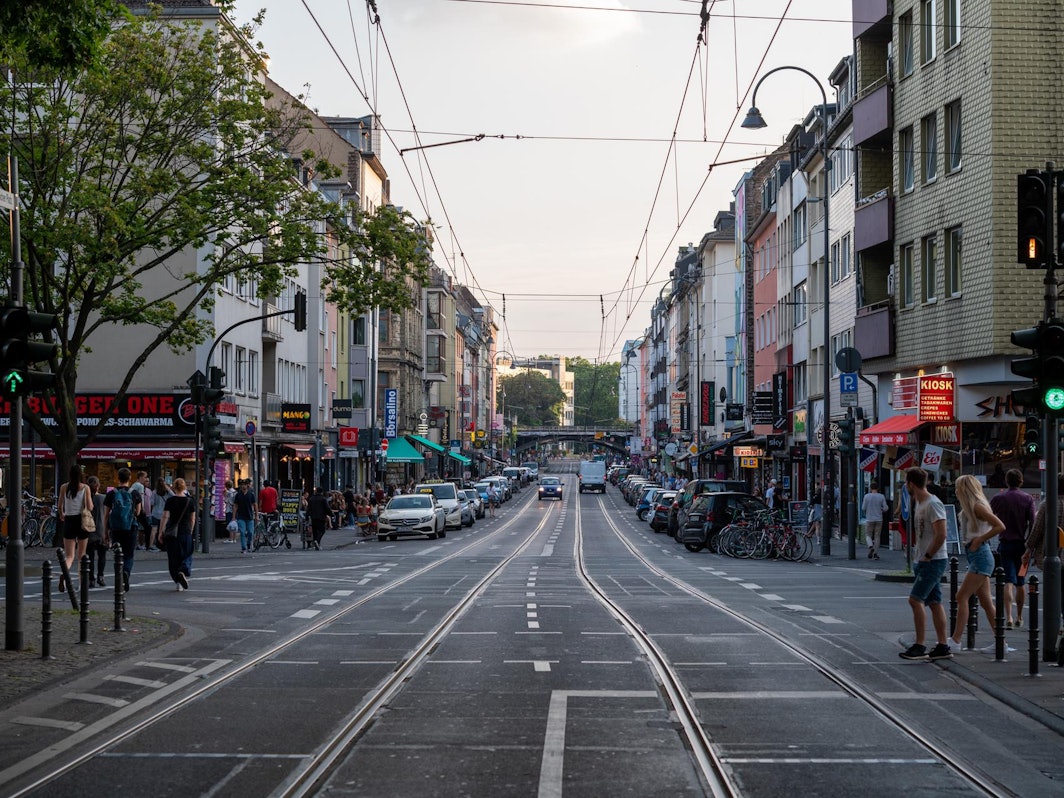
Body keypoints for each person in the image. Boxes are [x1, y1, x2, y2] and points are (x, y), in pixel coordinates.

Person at [899, 467, 952, 661]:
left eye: (906, 483)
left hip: (933, 559)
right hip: (924, 558)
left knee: (915, 600)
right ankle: (942, 645)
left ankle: (920, 645)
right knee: (934, 602)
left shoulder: (932, 503)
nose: (906, 487)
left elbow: (941, 534)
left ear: (911, 484)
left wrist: (928, 555)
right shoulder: (919, 503)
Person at [947, 474, 1004, 651]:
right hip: (977, 555)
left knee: (961, 597)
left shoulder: (977, 507)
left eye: (957, 487)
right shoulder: (971, 508)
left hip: (980, 555)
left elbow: (1000, 526)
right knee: (986, 602)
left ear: (965, 489)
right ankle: (1000, 642)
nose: (955, 491)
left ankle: (955, 641)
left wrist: (980, 539)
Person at [989, 468, 1036, 628]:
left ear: (1007, 481)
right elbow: (1033, 522)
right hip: (1023, 547)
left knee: (1008, 580)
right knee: (1021, 581)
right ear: (1021, 481)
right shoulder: (1027, 499)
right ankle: (1019, 616)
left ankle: (1008, 616)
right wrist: (1029, 543)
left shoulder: (998, 498)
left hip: (1005, 544)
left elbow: (989, 516)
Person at [103, 467, 143, 593]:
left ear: (118, 478)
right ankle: (126, 571)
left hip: (116, 528)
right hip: (130, 527)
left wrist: (105, 532)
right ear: (129, 478)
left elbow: (105, 515)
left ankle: (119, 577)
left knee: (117, 554)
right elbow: (138, 511)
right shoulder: (134, 493)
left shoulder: (111, 494)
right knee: (129, 554)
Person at [56, 464, 94, 593]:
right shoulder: (85, 488)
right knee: (81, 555)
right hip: (82, 521)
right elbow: (89, 506)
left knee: (69, 556)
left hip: (69, 520)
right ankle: (81, 584)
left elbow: (60, 504)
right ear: (81, 475)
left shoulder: (64, 487)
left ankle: (64, 575)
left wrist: (62, 514)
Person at [159, 477, 196, 591]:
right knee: (187, 554)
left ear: (174, 487)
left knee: (173, 557)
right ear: (184, 487)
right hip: (185, 532)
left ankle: (177, 580)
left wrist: (161, 531)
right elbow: (192, 519)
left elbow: (165, 516)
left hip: (172, 533)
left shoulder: (170, 501)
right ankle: (183, 570)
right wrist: (191, 530)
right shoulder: (190, 501)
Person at [85, 476, 108, 588]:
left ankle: (91, 579)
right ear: (98, 486)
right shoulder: (104, 498)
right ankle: (100, 576)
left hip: (89, 530)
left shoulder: (85, 500)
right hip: (102, 529)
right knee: (102, 555)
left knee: (90, 556)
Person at [862, 481, 888, 559]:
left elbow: (863, 508)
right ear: (878, 488)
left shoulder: (866, 496)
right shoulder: (881, 496)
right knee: (877, 536)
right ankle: (875, 553)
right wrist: (882, 510)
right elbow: (886, 508)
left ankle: (870, 546)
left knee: (868, 535)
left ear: (870, 488)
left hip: (869, 518)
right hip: (879, 519)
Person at [232, 479, 257, 554]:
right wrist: (233, 517)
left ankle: (249, 544)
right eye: (242, 485)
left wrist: (256, 515)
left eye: (245, 485)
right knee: (242, 532)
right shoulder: (238, 495)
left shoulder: (251, 494)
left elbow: (255, 505)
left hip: (250, 516)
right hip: (241, 516)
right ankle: (244, 548)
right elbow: (235, 506)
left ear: (247, 486)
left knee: (250, 532)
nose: (243, 486)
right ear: (240, 486)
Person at [148, 478, 173, 551]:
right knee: (163, 529)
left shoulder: (154, 492)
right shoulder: (167, 492)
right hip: (164, 513)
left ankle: (151, 545)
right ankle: (163, 544)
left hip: (155, 513)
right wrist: (169, 489)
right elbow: (174, 496)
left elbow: (152, 503)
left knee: (154, 530)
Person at [307, 486, 332, 550]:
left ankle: (316, 544)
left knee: (315, 531)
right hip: (321, 517)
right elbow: (327, 508)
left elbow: (308, 508)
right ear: (322, 492)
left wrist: (307, 516)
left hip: (313, 517)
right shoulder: (323, 499)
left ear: (316, 491)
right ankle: (317, 541)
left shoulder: (311, 498)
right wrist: (331, 514)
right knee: (322, 530)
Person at [129, 470, 150, 549]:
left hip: (133, 508)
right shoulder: (140, 486)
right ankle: (148, 545)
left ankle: (135, 543)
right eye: (145, 477)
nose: (146, 479)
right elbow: (141, 498)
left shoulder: (134, 485)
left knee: (134, 526)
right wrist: (143, 508)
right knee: (147, 527)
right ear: (141, 477)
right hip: (139, 509)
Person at [223, 479, 237, 543]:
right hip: (235, 510)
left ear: (227, 486)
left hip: (229, 509)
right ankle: (234, 538)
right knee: (234, 524)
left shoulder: (228, 493)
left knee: (229, 524)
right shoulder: (235, 492)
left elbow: (226, 501)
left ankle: (230, 538)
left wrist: (224, 495)